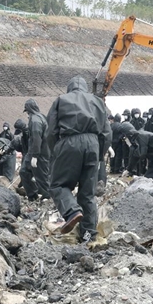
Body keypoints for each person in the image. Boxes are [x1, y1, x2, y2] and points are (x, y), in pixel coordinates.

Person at [47, 75, 112, 242]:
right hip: (93, 144)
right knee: (87, 194)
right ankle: (88, 236)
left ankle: (71, 211)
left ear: (69, 88)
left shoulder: (61, 100)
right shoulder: (98, 101)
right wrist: (99, 156)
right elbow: (106, 132)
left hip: (69, 142)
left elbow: (51, 131)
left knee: (58, 184)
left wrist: (56, 151)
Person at [21, 99, 51, 200]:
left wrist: (35, 156)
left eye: (27, 111)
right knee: (24, 171)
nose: (27, 114)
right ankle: (32, 195)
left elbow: (37, 138)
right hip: (36, 152)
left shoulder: (35, 120)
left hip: (39, 153)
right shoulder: (41, 117)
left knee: (41, 176)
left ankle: (49, 197)